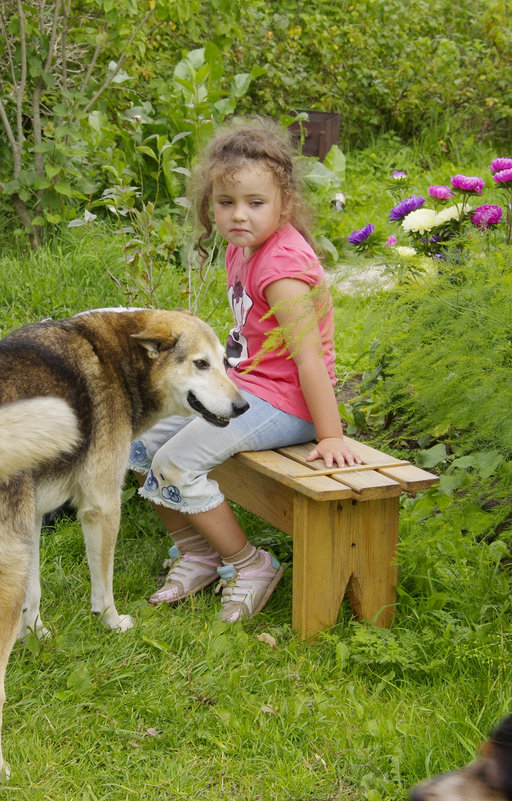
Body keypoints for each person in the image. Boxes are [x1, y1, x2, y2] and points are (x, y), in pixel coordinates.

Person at [129, 116, 361, 622]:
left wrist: (331, 436)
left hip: (288, 403)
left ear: (285, 204)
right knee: (142, 443)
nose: (239, 216)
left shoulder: (281, 272)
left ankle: (249, 564)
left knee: (176, 463)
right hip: (250, 387)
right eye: (226, 203)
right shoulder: (243, 248)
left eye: (256, 203)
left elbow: (309, 360)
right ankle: (199, 552)